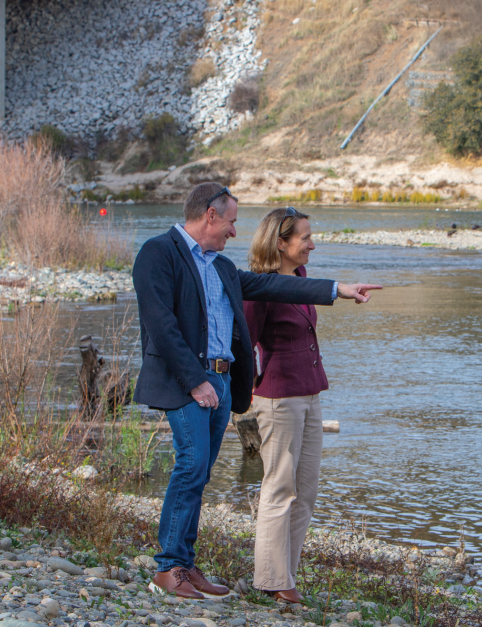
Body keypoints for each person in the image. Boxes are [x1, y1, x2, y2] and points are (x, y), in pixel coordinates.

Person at [132, 182, 382, 600]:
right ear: (210, 215)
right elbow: (160, 324)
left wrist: (337, 289)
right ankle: (168, 568)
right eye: (231, 221)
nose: (234, 231)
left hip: (221, 380)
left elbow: (274, 287)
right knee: (191, 466)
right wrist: (196, 382)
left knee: (201, 473)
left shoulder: (221, 266)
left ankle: (185, 565)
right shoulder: (158, 253)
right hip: (186, 381)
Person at [243, 207, 333, 603]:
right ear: (281, 243)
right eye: (305, 238)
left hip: (310, 393)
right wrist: (243, 388)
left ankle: (286, 576)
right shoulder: (260, 286)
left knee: (306, 491)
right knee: (280, 488)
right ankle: (271, 578)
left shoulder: (300, 277)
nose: (312, 243)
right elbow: (243, 342)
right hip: (279, 399)